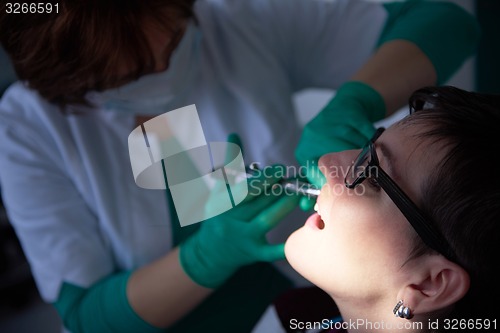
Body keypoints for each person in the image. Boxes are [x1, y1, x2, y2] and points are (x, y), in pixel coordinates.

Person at [0, 0, 479, 332]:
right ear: (75, 84)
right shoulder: (27, 128)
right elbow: (86, 315)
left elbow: (447, 22)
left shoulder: (235, 21)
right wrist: (205, 257)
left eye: (372, 173)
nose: (337, 164)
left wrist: (355, 101)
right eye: (131, 75)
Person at [285, 85, 500, 332]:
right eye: (368, 147)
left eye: (373, 177)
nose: (327, 161)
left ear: (430, 284)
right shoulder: (293, 311)